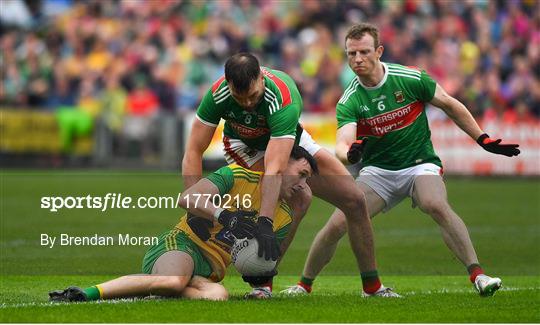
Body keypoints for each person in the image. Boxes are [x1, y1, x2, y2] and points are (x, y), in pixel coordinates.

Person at [282, 23, 520, 297]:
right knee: (337, 223)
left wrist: (482, 139)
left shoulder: (410, 78)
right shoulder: (350, 99)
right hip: (378, 172)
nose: (357, 59)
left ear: (379, 51)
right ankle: (304, 285)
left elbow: (450, 104)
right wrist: (350, 154)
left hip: (420, 164)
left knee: (435, 203)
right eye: (351, 54)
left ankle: (478, 276)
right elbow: (341, 144)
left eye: (364, 52)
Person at [182, 52, 398, 298]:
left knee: (355, 200)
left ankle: (372, 288)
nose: (247, 104)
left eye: (252, 96)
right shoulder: (217, 93)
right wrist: (194, 206)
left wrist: (265, 223)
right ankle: (263, 284)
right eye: (239, 98)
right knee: (300, 198)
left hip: (289, 139)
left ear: (261, 79)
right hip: (244, 146)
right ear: (228, 84)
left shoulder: (283, 97)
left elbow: (276, 166)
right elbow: (193, 150)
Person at [48, 146, 318, 302]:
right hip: (182, 244)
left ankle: (151, 289)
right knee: (173, 282)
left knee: (217, 297)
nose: (303, 185)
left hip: (211, 270)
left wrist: (300, 215)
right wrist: (224, 215)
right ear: (280, 164)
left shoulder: (283, 215)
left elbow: (268, 261)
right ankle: (84, 294)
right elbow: (187, 198)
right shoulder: (237, 176)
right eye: (302, 174)